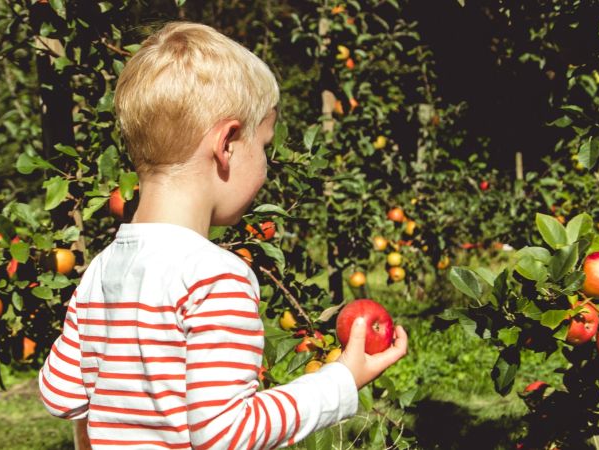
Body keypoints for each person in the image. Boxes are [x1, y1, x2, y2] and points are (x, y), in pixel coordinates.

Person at [38, 21, 408, 449]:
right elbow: (225, 433)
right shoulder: (215, 277)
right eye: (265, 146)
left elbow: (60, 394)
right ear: (227, 143)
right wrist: (341, 381)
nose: (267, 166)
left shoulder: (103, 269)